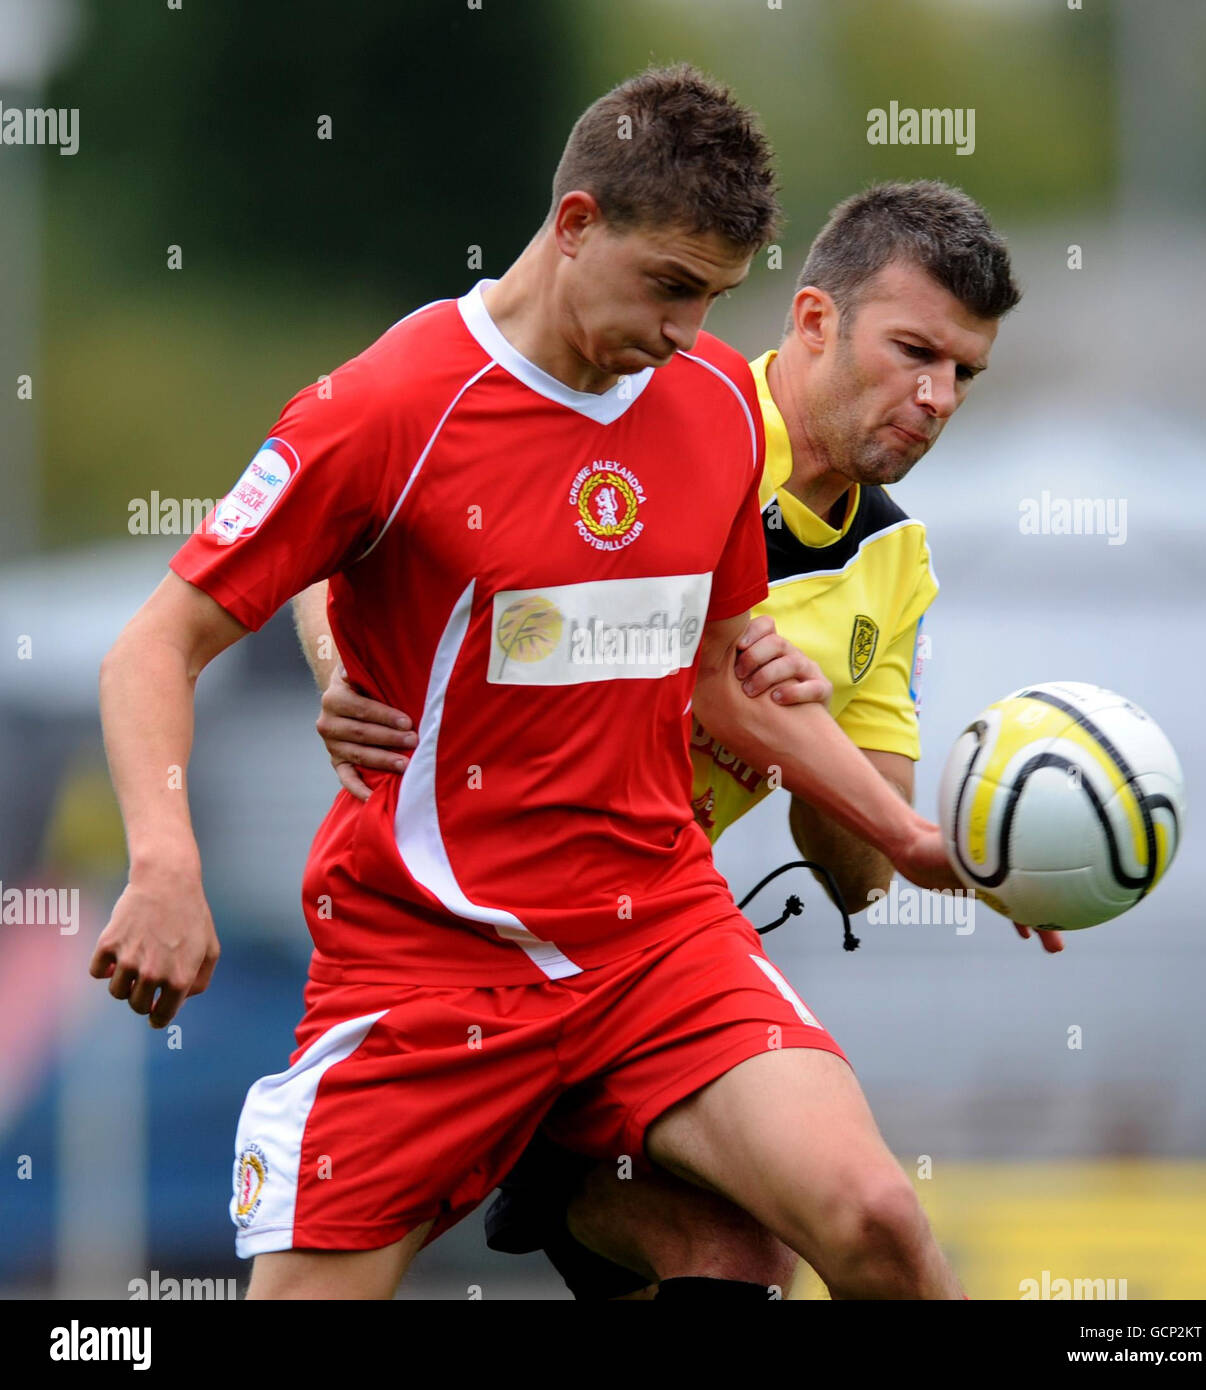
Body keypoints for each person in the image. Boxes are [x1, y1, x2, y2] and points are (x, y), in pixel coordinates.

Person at [92, 67, 970, 1301]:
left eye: (714, 301)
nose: (685, 334)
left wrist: (906, 835)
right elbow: (152, 647)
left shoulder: (713, 402)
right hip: (427, 958)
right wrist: (166, 862)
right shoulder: (386, 406)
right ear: (574, 227)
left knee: (872, 1221)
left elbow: (718, 676)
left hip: (653, 935)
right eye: (669, 287)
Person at [304, 181, 1060, 1300]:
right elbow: (359, 504)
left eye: (963, 373)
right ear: (812, 321)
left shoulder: (895, 566)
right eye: (914, 351)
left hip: (645, 958)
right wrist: (341, 670)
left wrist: (824, 754)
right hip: (447, 935)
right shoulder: (667, 406)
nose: (936, 396)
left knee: (805, 1238)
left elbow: (853, 878)